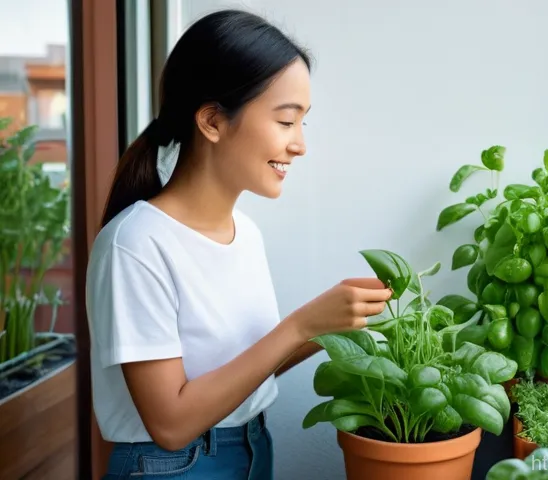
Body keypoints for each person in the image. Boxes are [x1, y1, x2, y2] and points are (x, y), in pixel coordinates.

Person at [86, 9, 392, 480]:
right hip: (173, 466)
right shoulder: (136, 245)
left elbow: (241, 373)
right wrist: (298, 326)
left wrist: (325, 325)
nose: (300, 145)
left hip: (252, 448)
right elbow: (170, 423)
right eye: (287, 121)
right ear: (211, 120)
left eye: (303, 123)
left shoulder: (245, 233)